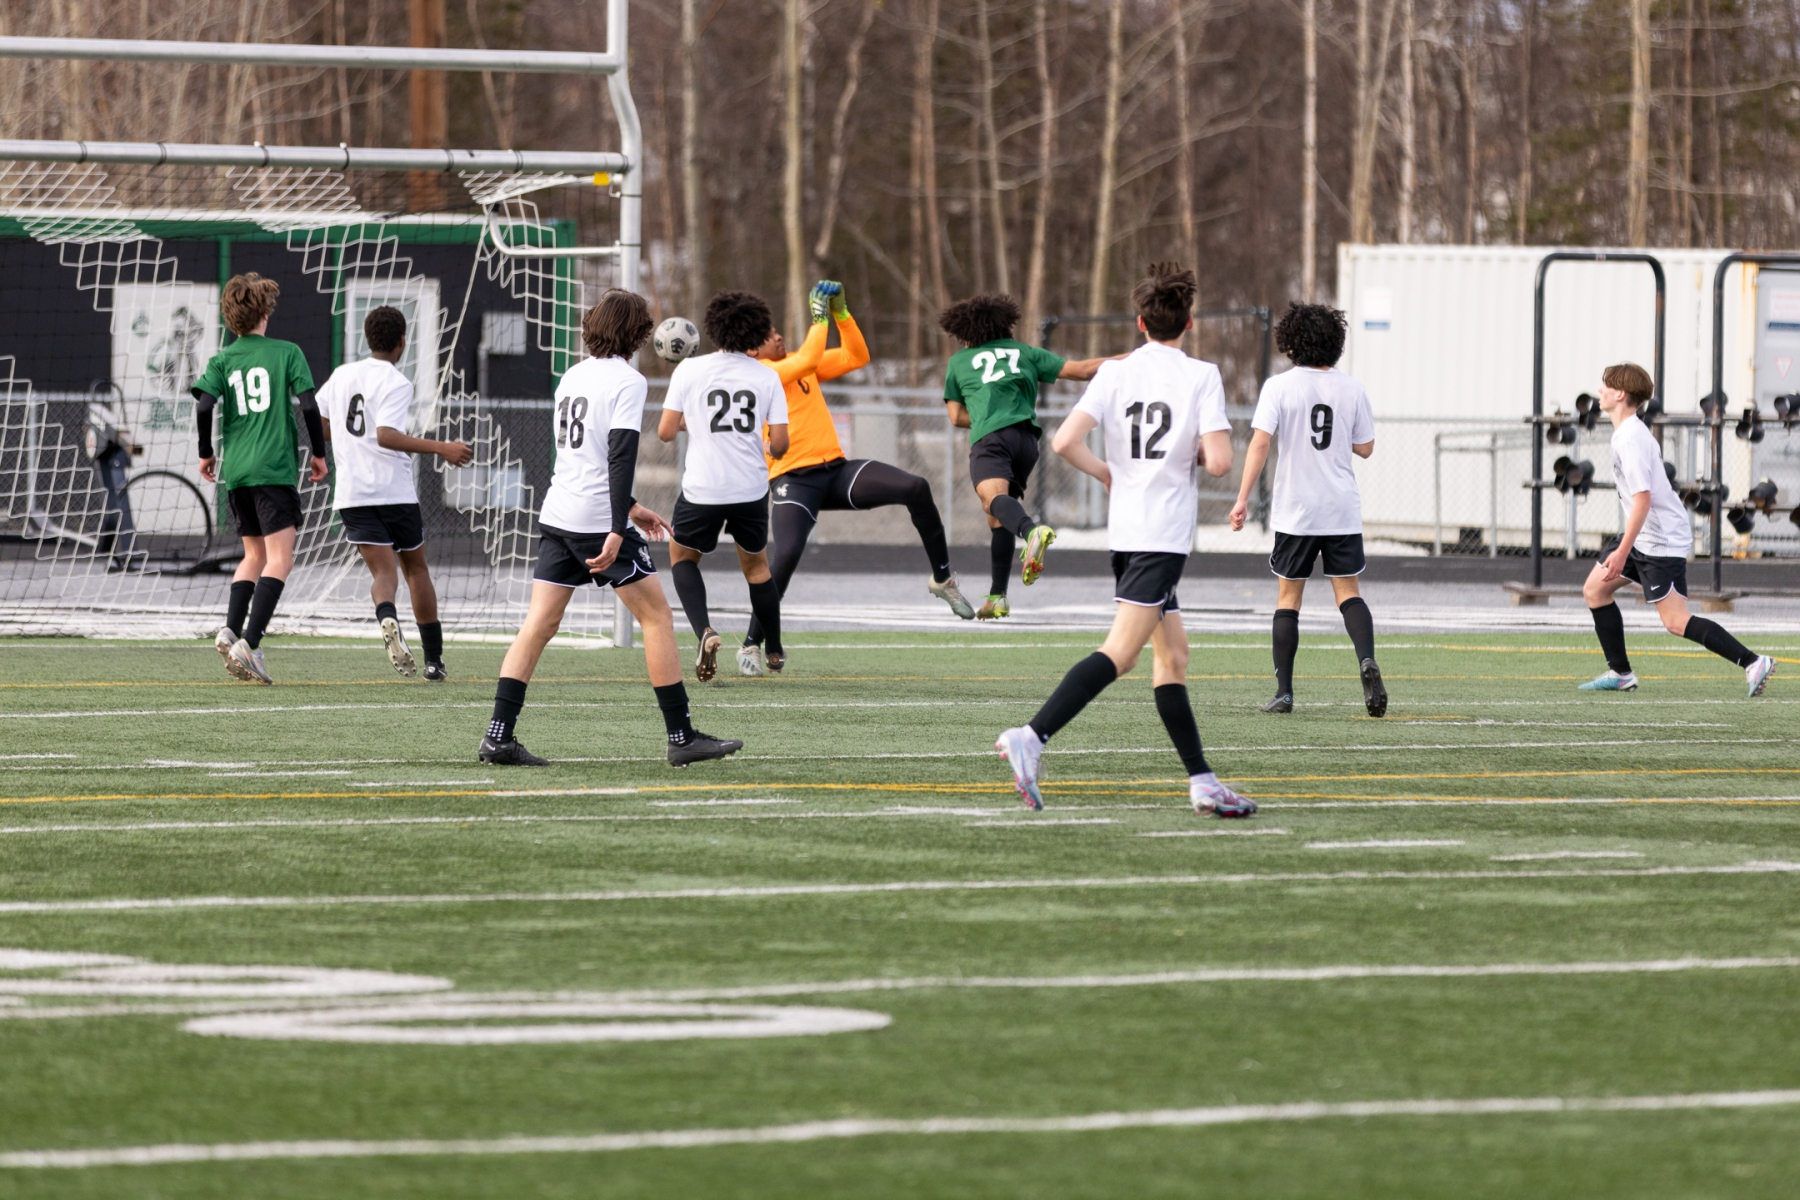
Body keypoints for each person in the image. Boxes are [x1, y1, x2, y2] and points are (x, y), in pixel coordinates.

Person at [995, 264, 1254, 818]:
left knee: (1173, 656)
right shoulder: (1201, 374)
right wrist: (1198, 451)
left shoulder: (1115, 372)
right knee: (1122, 653)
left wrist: (1107, 472)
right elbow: (1219, 462)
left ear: (1140, 323)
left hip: (1129, 531)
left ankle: (1203, 782)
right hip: (1161, 535)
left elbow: (1064, 441)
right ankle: (1031, 737)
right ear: (1189, 321)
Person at [478, 288, 742, 768]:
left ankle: (497, 736)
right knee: (657, 618)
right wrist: (619, 525)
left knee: (539, 624)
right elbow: (619, 457)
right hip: (598, 521)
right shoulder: (628, 381)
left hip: (560, 514)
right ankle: (682, 738)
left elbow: (584, 457)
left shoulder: (571, 376)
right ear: (637, 333)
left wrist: (633, 508)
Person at [738, 280, 974, 676]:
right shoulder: (762, 373)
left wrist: (842, 315)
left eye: (776, 331)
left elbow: (856, 356)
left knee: (915, 487)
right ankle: (750, 644)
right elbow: (809, 357)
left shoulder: (797, 365)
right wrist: (819, 318)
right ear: (751, 351)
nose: (778, 336)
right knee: (787, 554)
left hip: (834, 471)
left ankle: (943, 580)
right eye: (769, 335)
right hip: (793, 480)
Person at [1579, 363, 1776, 696]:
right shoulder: (1627, 432)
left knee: (1675, 621)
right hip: (1643, 536)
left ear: (1620, 394)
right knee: (1595, 591)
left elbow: (1642, 501)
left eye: (1605, 386)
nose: (1600, 391)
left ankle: (1753, 662)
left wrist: (1622, 551)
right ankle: (1621, 673)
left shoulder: (1631, 439)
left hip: (1660, 541)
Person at [1229, 302, 1386, 718]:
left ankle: (1284, 693)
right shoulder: (1352, 388)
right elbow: (1366, 447)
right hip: (1340, 508)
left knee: (1288, 597)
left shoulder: (1279, 387)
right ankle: (1367, 660)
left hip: (1296, 510)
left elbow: (1260, 443)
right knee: (1348, 593)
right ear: (1335, 342)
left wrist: (1242, 498)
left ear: (1292, 343)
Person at [317, 306, 472, 681]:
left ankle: (387, 615)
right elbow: (386, 435)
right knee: (416, 569)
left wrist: (346, 444)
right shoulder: (397, 381)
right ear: (402, 341)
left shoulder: (341, 375)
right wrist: (441, 448)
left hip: (354, 495)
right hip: (394, 492)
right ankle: (433, 661)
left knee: (383, 573)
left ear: (367, 339)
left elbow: (320, 424)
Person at [939, 294, 1112, 617]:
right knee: (998, 515)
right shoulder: (1025, 352)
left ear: (966, 332)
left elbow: (956, 416)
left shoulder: (960, 361)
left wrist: (987, 413)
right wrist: (1139, 356)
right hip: (1026, 443)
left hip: (992, 439)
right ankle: (997, 597)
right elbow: (1084, 369)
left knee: (992, 500)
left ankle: (1032, 532)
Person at [194, 273, 327, 686]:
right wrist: (319, 453)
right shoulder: (287, 352)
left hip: (237, 473)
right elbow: (309, 406)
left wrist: (206, 452)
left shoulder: (222, 360)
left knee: (253, 555)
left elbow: (203, 406)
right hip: (273, 469)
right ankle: (250, 644)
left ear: (230, 318)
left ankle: (230, 629)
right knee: (281, 559)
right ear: (265, 312)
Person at [657, 290, 790, 681]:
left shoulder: (689, 370)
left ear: (713, 329)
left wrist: (695, 422)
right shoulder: (767, 376)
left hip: (704, 488)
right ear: (757, 332)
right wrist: (768, 445)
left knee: (683, 559)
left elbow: (666, 432)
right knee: (757, 569)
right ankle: (774, 649)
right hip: (749, 488)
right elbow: (781, 444)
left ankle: (705, 630)